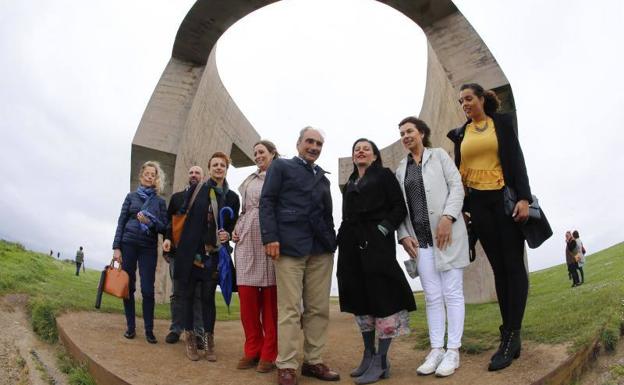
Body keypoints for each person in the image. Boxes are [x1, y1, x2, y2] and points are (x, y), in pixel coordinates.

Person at [447, 83, 532, 371]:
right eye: (461, 102)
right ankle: (510, 333)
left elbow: (516, 160)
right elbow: (461, 175)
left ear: (482, 99)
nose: (465, 105)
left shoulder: (502, 124)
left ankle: (511, 334)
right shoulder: (461, 134)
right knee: (498, 268)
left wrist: (523, 197)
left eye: (469, 99)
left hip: (504, 199)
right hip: (480, 206)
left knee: (513, 266)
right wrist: (465, 210)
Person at [260, 127, 340, 385]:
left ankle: (313, 361)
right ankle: (287, 365)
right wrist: (270, 237)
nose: (314, 147)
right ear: (298, 144)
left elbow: (327, 214)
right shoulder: (281, 167)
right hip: (289, 246)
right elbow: (268, 202)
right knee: (290, 309)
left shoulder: (323, 178)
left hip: (321, 249)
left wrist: (332, 239)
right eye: (310, 141)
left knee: (318, 308)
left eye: (318, 143)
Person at [337, 138, 416, 384]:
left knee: (383, 295)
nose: (361, 151)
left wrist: (383, 228)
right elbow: (345, 216)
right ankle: (368, 354)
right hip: (351, 245)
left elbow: (399, 207)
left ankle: (381, 360)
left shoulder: (384, 175)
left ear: (374, 156)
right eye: (356, 149)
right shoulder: (350, 183)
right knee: (359, 296)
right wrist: (338, 241)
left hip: (376, 242)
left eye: (366, 149)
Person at [396, 117, 469, 377]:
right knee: (432, 297)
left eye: (410, 131)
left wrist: (448, 218)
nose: (406, 136)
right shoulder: (401, 168)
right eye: (402, 133)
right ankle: (436, 349)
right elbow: (400, 208)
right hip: (421, 242)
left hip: (446, 236)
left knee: (452, 293)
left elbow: (456, 187)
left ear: (422, 133)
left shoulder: (438, 156)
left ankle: (453, 351)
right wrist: (403, 236)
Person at [174, 152, 240, 362]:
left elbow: (232, 226)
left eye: (222, 165)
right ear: (209, 168)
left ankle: (209, 342)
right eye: (215, 165)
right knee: (188, 295)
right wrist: (169, 239)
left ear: (226, 169)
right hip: (192, 253)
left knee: (208, 298)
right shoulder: (197, 189)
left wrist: (227, 234)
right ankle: (191, 339)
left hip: (213, 255)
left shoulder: (232, 197)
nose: (219, 168)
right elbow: (180, 215)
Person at [232, 140, 280, 373]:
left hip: (270, 238)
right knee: (248, 302)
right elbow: (244, 209)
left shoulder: (281, 174)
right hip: (246, 242)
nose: (258, 156)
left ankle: (270, 352)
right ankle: (253, 349)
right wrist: (237, 227)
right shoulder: (249, 180)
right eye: (255, 153)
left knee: (270, 303)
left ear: (273, 153)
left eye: (262, 152)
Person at [112, 161, 168, 344]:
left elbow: (164, 227)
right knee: (129, 286)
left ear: (156, 179)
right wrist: (116, 248)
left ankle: (149, 330)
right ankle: (130, 327)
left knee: (147, 289)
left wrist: (149, 223)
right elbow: (121, 222)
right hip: (128, 244)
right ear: (141, 175)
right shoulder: (131, 197)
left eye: (153, 174)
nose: (150, 176)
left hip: (148, 247)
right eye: (147, 173)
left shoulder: (160, 202)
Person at [162, 166, 205, 346]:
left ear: (202, 177)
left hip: (197, 253)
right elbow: (167, 222)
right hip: (177, 253)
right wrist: (166, 240)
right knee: (177, 292)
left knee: (197, 294)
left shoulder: (205, 198)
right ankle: (175, 329)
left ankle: (198, 333)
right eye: (191, 172)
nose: (193, 175)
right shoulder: (177, 198)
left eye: (197, 173)